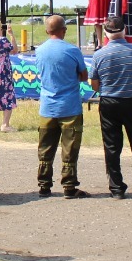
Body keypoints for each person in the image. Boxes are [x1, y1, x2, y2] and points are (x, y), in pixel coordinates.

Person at [89, 16, 132, 198]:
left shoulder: (99, 55)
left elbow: (94, 85)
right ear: (124, 30)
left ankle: (116, 187)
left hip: (109, 102)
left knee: (112, 146)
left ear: (105, 33)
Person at [34, 14, 89, 198]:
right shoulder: (72, 50)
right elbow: (84, 76)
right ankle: (69, 186)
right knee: (70, 149)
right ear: (63, 30)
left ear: (47, 31)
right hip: (70, 106)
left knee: (45, 148)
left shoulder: (40, 51)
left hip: (47, 107)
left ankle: (44, 185)